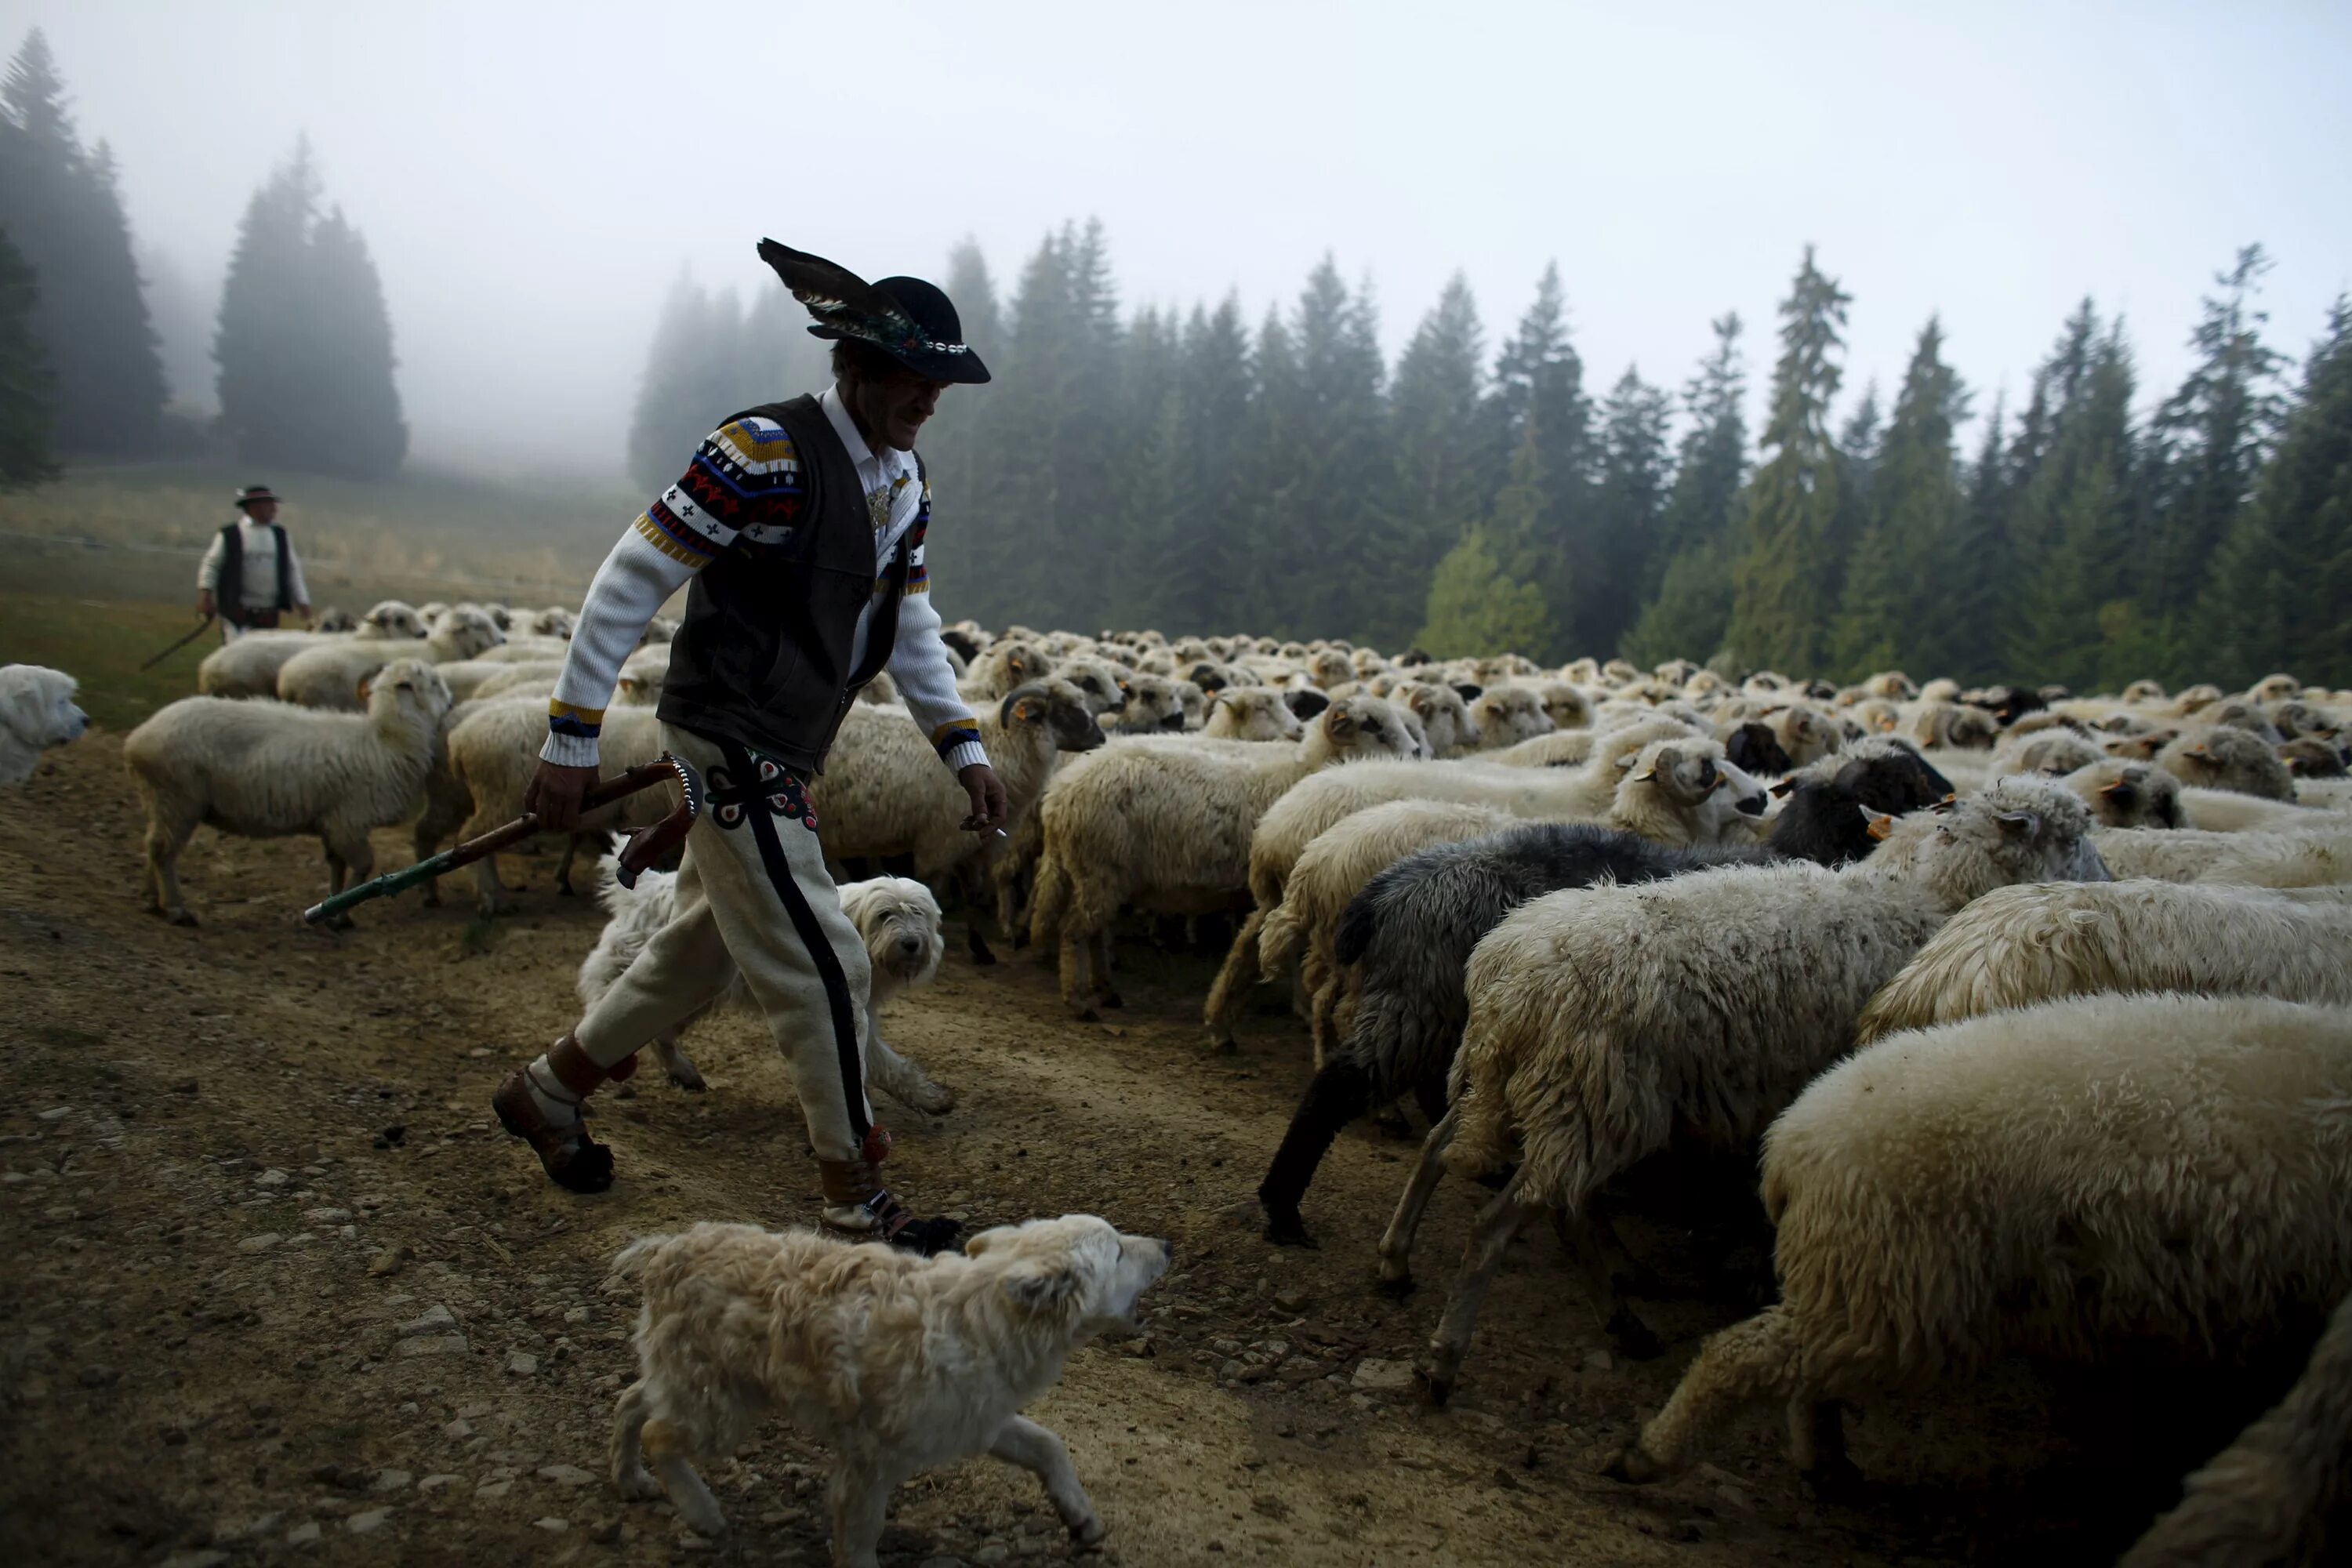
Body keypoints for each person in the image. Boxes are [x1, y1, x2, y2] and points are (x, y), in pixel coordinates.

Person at [492, 240, 1004, 1255]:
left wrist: (961, 744)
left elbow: (906, 621)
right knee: (824, 957)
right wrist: (571, 734)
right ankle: (855, 1197)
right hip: (731, 732)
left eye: (941, 381)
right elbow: (633, 578)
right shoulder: (761, 451)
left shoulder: (905, 484)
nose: (930, 399)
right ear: (856, 367)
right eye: (915, 378)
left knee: (696, 952)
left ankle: (547, 1093)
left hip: (789, 743)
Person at [196, 485, 310, 641]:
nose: (274, 509)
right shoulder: (230, 535)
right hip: (237, 613)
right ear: (253, 506)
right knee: (236, 658)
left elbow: (292, 570)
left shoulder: (280, 535)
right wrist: (205, 598)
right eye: (269, 504)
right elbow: (211, 565)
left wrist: (302, 601)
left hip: (268, 615)